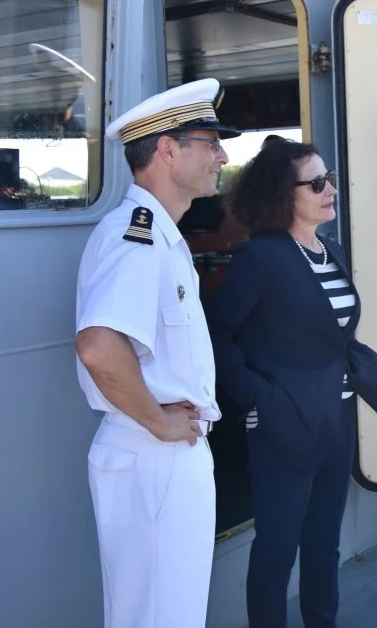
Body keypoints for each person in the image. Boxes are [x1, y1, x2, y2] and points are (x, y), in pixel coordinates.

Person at [204, 139, 377, 628]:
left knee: (323, 543)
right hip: (281, 424)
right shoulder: (260, 258)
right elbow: (217, 333)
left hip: (335, 417)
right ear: (282, 195)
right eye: (316, 183)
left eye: (327, 178)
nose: (330, 189)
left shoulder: (329, 251)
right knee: (277, 548)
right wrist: (258, 395)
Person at [74, 78, 239, 628]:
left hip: (161, 456)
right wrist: (160, 425)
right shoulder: (136, 235)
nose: (222, 155)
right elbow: (99, 346)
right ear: (168, 149)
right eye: (210, 141)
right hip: (154, 454)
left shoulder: (159, 234)